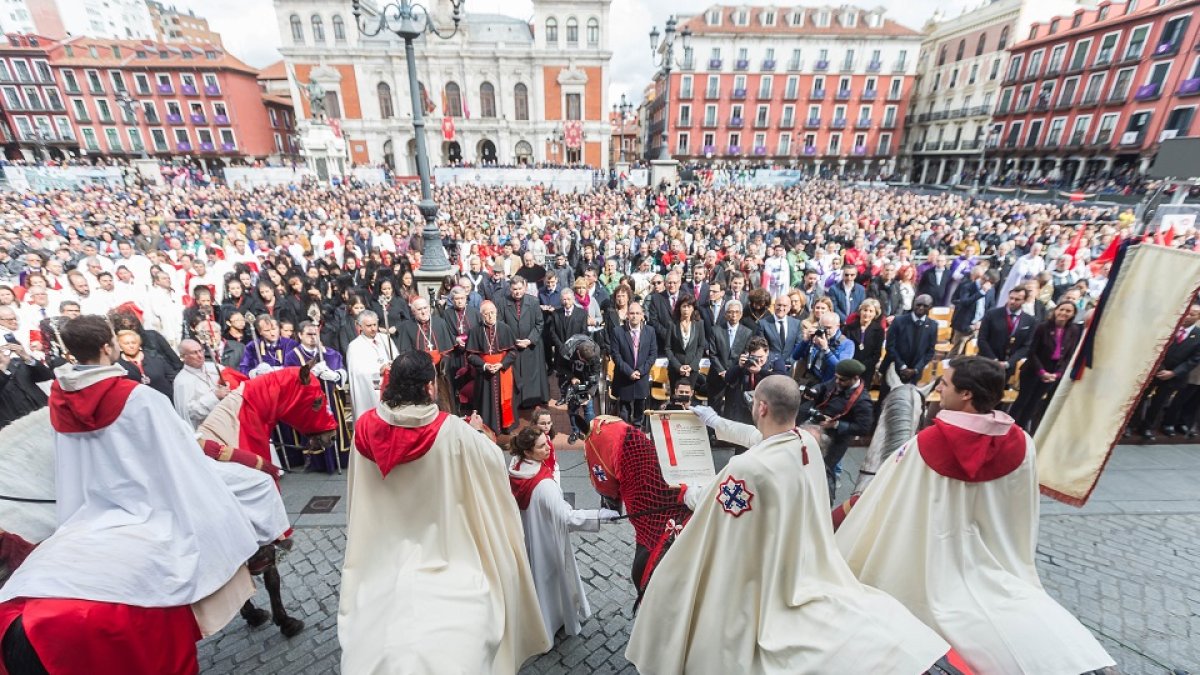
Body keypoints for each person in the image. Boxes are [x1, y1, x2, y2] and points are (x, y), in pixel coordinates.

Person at [0, 315, 273, 674]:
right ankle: (259, 552)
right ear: (106, 347)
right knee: (257, 484)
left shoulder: (58, 401)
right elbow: (184, 459)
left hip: (91, 509)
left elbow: (70, 465)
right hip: (149, 502)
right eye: (114, 339)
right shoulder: (140, 398)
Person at [628, 375, 954, 674]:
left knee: (670, 580)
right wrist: (715, 422)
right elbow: (762, 437)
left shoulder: (746, 467)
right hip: (799, 555)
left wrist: (688, 493)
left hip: (761, 568)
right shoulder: (805, 443)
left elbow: (711, 508)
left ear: (761, 406)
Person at [836, 356, 1115, 674]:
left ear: (966, 394)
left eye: (945, 383)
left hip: (930, 562)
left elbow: (889, 502)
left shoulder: (927, 443)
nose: (939, 388)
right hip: (995, 557)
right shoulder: (1021, 443)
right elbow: (1021, 512)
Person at [339, 351, 550, 673]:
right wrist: (479, 433)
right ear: (429, 387)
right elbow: (494, 463)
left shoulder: (364, 428)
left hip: (382, 556)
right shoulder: (454, 431)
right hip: (450, 556)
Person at [506, 426, 618, 641]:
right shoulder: (544, 486)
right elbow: (567, 518)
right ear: (528, 452)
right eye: (541, 446)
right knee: (551, 582)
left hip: (526, 536)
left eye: (546, 442)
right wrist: (600, 515)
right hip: (547, 541)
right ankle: (552, 623)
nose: (548, 448)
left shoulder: (515, 467)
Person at [801, 358, 874, 504]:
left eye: (842, 380)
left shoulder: (863, 402)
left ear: (855, 378)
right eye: (837, 378)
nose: (838, 382)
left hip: (836, 441)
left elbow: (864, 428)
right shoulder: (838, 381)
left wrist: (836, 425)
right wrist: (815, 390)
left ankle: (826, 501)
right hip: (818, 428)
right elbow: (824, 386)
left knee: (824, 470)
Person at [283, 320, 352, 472]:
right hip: (310, 402)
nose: (313, 337)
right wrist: (309, 374)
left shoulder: (330, 353)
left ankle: (339, 459)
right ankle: (318, 462)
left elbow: (342, 370)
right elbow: (289, 379)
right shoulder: (292, 356)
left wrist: (334, 375)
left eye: (316, 334)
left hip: (331, 398)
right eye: (309, 334)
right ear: (300, 335)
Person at [1130, 302, 1200, 440]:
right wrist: (1160, 367)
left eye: (1192, 314)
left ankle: (1147, 428)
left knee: (1159, 403)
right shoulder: (1169, 327)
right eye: (1186, 312)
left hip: (1174, 376)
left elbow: (1194, 359)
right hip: (1154, 370)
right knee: (1140, 399)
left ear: (1198, 317)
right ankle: (1130, 426)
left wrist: (1174, 372)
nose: (1187, 316)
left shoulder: (1198, 335)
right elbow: (1155, 347)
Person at [1010, 301, 1083, 432]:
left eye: (1068, 311)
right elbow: (1032, 352)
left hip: (1053, 374)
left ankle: (1020, 431)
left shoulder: (1074, 330)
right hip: (1033, 370)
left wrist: (1057, 374)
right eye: (1061, 309)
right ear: (1056, 310)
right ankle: (1009, 427)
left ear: (1073, 314)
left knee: (1034, 403)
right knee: (1023, 401)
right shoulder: (1042, 327)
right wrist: (1042, 371)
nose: (1064, 313)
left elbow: (1069, 355)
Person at [467, 301, 518, 433]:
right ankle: (489, 427)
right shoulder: (475, 331)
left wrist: (501, 364)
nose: (490, 316)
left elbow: (513, 352)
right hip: (484, 374)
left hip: (503, 372)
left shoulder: (505, 328)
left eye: (492, 313)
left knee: (506, 400)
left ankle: (506, 428)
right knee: (486, 402)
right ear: (481, 315)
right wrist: (484, 365)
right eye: (486, 313)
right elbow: (470, 355)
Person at [723, 335, 787, 427]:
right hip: (745, 407)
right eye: (754, 357)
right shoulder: (745, 361)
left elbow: (782, 379)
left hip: (766, 406)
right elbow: (728, 378)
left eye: (761, 357)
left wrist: (760, 371)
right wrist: (739, 366)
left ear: (767, 352)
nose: (758, 360)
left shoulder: (776, 360)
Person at [610, 301, 656, 427]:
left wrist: (641, 371)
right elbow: (615, 355)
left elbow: (652, 355)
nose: (634, 316)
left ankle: (637, 438)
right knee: (624, 414)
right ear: (627, 315)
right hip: (624, 378)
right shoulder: (618, 332)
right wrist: (629, 371)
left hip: (641, 378)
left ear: (642, 315)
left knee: (638, 415)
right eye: (632, 313)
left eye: (637, 313)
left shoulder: (650, 331)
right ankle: (625, 439)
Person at [881, 294, 939, 387]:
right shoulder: (899, 321)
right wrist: (902, 366)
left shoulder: (933, 325)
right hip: (893, 370)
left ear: (930, 307)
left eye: (925, 306)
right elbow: (890, 347)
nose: (921, 308)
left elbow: (930, 351)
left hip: (914, 374)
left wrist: (916, 369)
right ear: (913, 304)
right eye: (918, 304)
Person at [977, 288, 1037, 377]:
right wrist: (994, 360)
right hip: (986, 362)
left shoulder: (1030, 320)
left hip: (1007, 367)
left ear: (1024, 301)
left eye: (1017, 299)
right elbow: (982, 339)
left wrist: (1009, 362)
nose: (1012, 301)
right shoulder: (992, 314)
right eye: (1011, 298)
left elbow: (1026, 346)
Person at [346, 310, 393, 420]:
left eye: (374, 325)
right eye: (368, 326)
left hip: (390, 387)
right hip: (372, 389)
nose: (373, 329)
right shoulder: (355, 346)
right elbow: (357, 373)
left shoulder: (385, 339)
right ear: (360, 326)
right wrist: (378, 370)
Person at [172, 338, 229, 429]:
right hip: (206, 428)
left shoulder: (214, 367)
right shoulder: (182, 381)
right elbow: (188, 413)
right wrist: (214, 397)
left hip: (226, 420)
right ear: (183, 357)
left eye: (201, 351)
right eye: (194, 353)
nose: (200, 355)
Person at [0, 338, 51, 429]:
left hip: (44, 413)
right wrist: (3, 368)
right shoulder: (5, 365)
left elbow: (46, 375)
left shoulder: (16, 362)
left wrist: (27, 357)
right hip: (16, 427)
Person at [792, 311, 854, 385]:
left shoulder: (847, 344)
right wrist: (805, 341)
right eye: (822, 327)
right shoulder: (817, 337)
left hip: (829, 385)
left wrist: (826, 350)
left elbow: (840, 369)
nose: (825, 331)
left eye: (829, 328)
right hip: (810, 380)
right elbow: (795, 356)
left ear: (838, 326)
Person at [115, 329, 175, 401]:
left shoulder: (154, 357)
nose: (131, 346)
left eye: (134, 343)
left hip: (165, 400)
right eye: (126, 343)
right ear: (120, 347)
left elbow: (172, 376)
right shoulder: (118, 366)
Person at [666, 294, 706, 389]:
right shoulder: (672, 324)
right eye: (684, 306)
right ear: (679, 308)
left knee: (688, 399)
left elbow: (701, 346)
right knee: (675, 398)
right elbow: (668, 348)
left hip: (692, 370)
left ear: (693, 308)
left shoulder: (699, 324)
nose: (686, 309)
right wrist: (678, 366)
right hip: (675, 369)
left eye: (689, 306)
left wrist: (692, 366)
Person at [760, 293, 801, 372]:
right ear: (774, 306)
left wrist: (790, 361)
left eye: (785, 306)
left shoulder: (796, 324)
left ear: (789, 308)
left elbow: (798, 346)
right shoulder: (763, 323)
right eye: (779, 305)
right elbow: (762, 347)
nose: (781, 308)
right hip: (770, 367)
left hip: (789, 368)